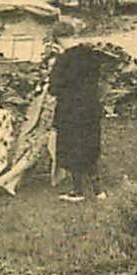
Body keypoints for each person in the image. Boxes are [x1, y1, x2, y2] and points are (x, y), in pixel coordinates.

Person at [48, 42, 111, 201]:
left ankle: (77, 191)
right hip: (90, 108)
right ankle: (98, 190)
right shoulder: (93, 57)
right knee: (90, 146)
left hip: (70, 110)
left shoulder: (64, 60)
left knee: (72, 147)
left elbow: (53, 88)